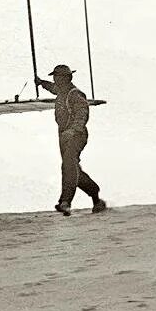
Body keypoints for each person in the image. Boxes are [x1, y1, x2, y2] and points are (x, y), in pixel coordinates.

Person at [35, 65, 106, 216]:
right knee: (74, 171)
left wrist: (72, 130)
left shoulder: (74, 94)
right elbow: (53, 88)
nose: (55, 79)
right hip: (64, 136)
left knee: (68, 165)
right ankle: (96, 197)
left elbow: (82, 113)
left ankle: (65, 202)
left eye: (57, 77)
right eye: (54, 77)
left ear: (66, 78)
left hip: (76, 135)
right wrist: (41, 83)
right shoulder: (61, 91)